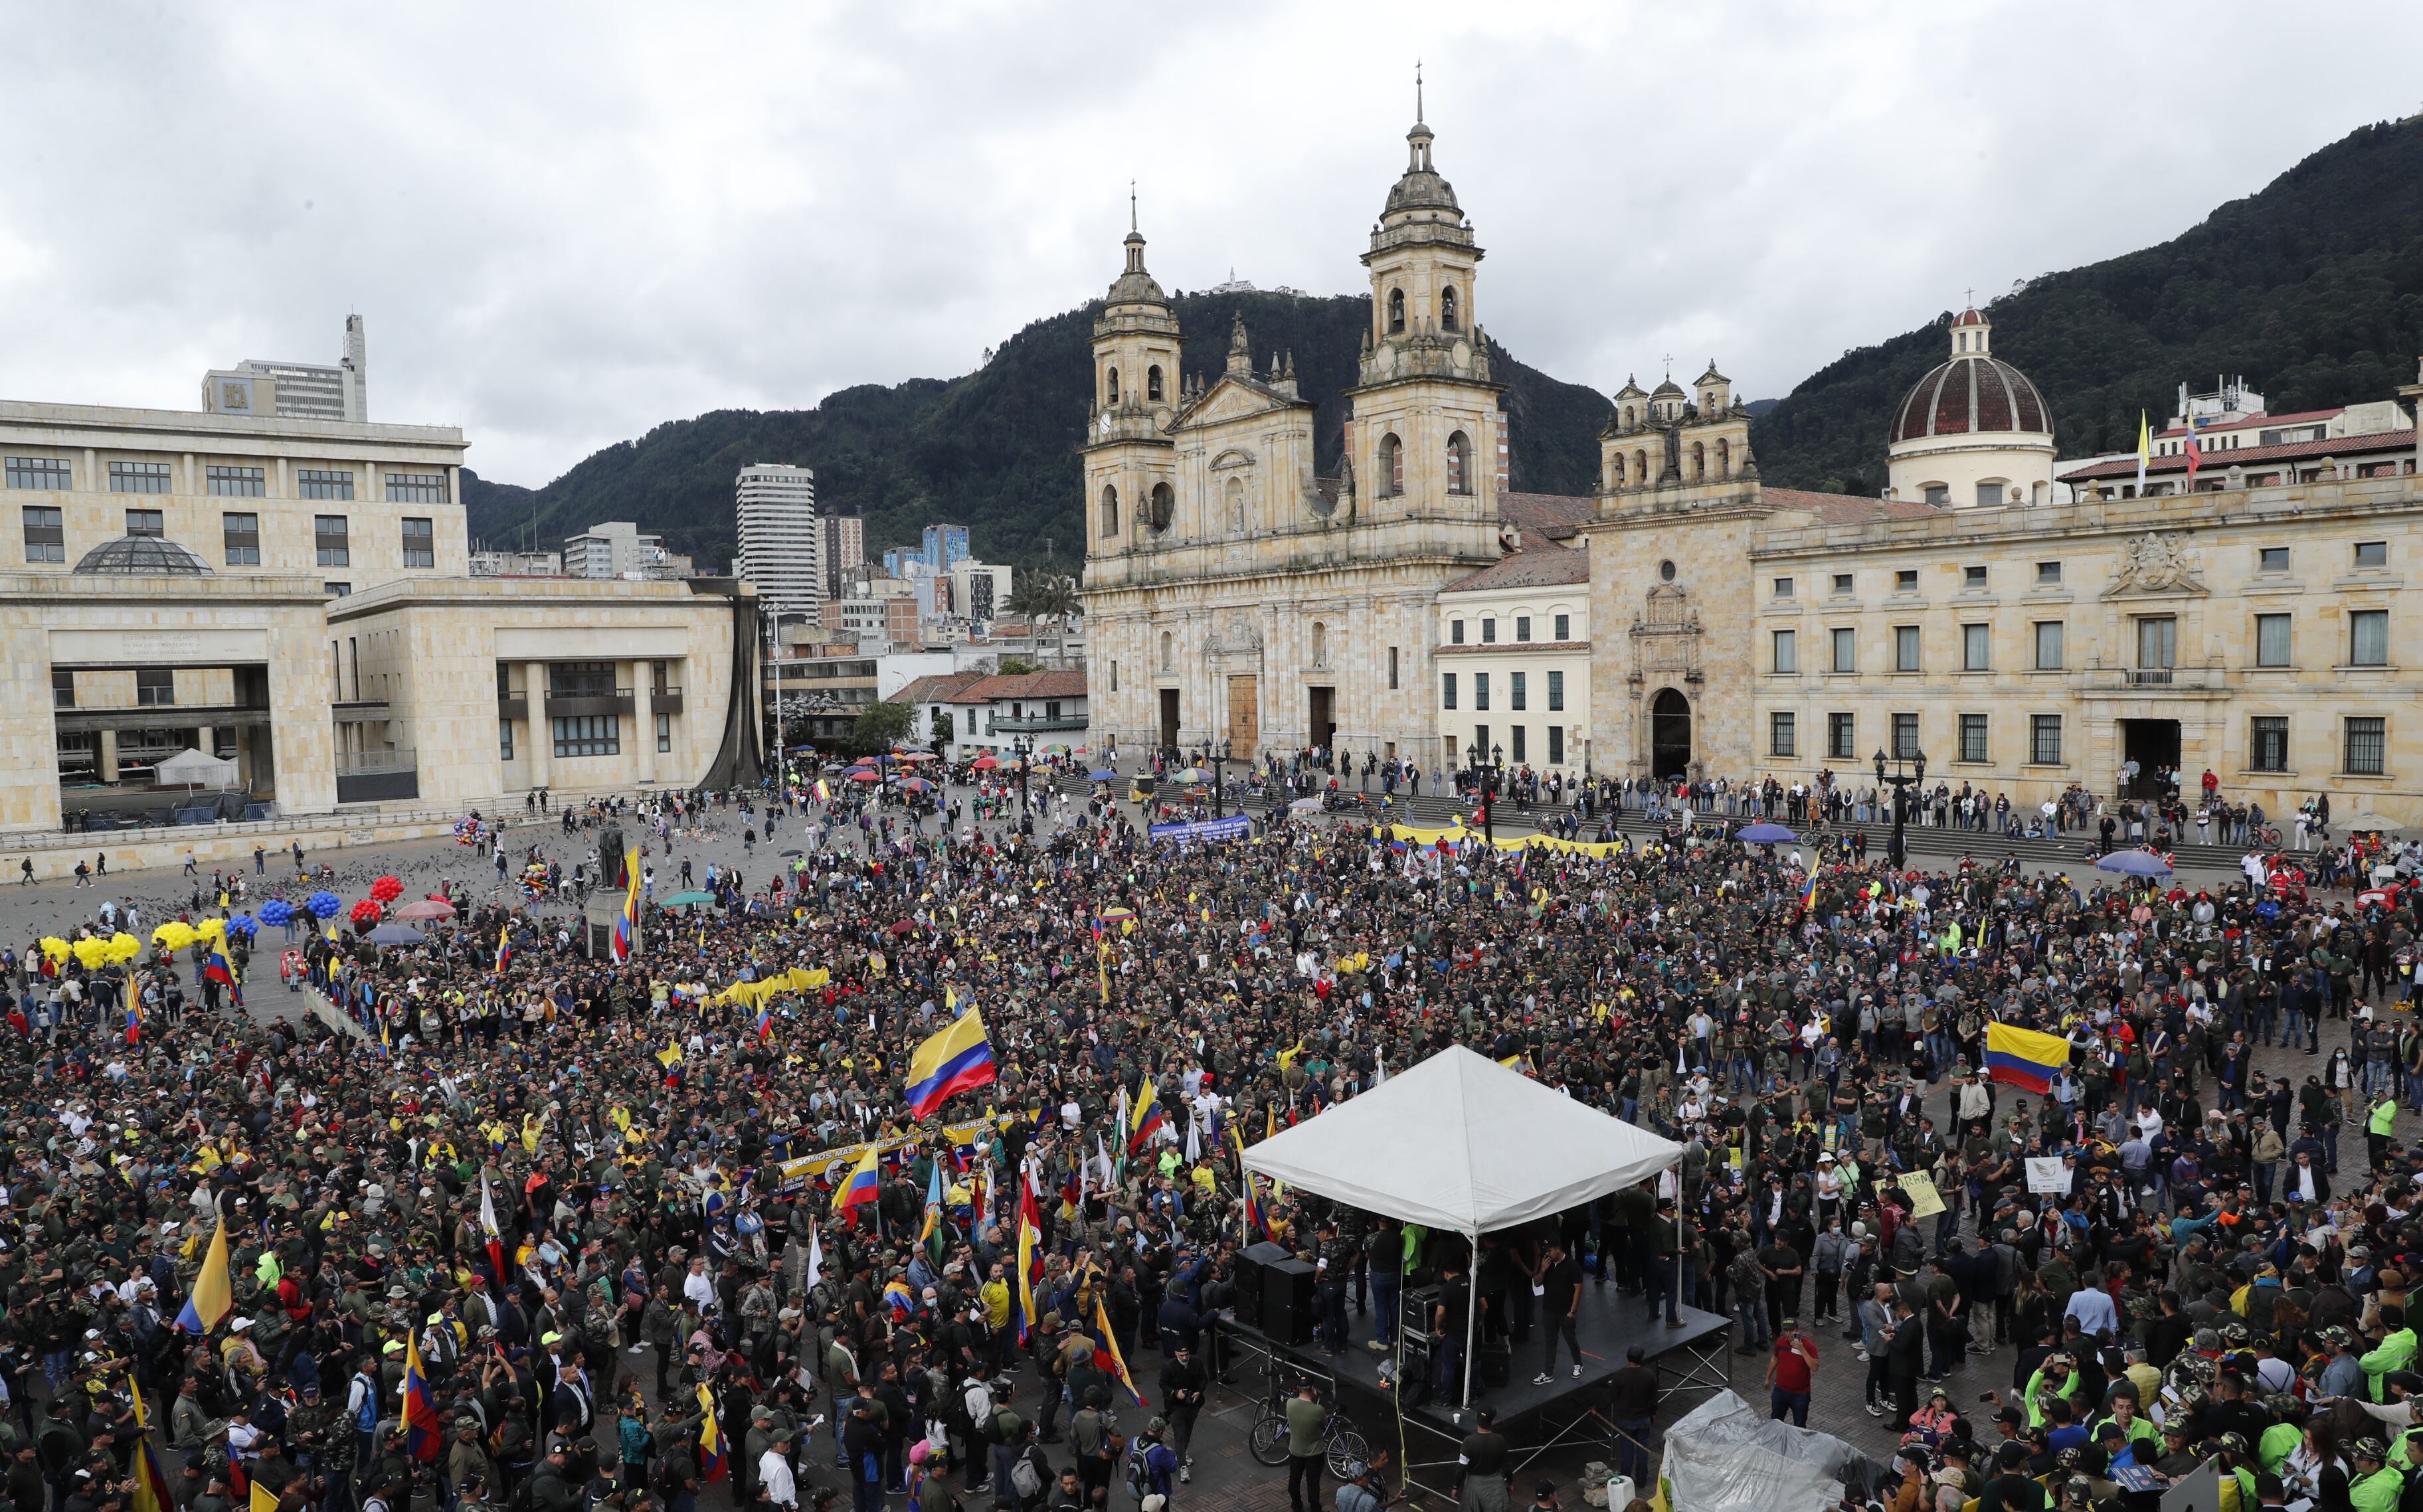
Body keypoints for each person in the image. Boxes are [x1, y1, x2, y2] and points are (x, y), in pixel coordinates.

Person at [1604, 1346, 1658, 1493]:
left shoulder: (1620, 1375)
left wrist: (1596, 1408)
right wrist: (1653, 1413)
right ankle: (1642, 1480)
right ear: (1641, 1359)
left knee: (1627, 1451)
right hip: (1643, 1420)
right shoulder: (1649, 1375)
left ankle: (1626, 1480)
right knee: (1642, 1451)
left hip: (1626, 1421)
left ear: (1628, 1357)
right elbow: (1654, 1399)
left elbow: (1610, 1397)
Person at [1532, 1240, 1583, 1386]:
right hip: (1549, 1311)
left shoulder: (1572, 1266)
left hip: (1565, 1312)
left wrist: (1572, 1311)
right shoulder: (1546, 1265)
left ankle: (1578, 1363)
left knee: (1571, 1339)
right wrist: (1542, 1270)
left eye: (1549, 1251)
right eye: (1545, 1252)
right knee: (1550, 1343)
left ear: (1558, 1249)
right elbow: (1536, 1283)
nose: (1547, 1254)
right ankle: (1548, 1373)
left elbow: (1578, 1288)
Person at [1455, 1409, 1510, 1512]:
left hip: (1474, 1485)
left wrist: (1455, 1487)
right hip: (1496, 1486)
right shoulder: (1500, 1440)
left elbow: (1461, 1468)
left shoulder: (1469, 1441)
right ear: (1492, 1422)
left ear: (1477, 1421)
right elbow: (1506, 1466)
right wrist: (1510, 1483)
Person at [1765, 1317, 1817, 1427]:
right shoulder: (1780, 1342)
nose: (1789, 1334)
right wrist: (1768, 1377)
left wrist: (1802, 1350)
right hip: (1780, 1391)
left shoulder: (1808, 1346)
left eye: (1792, 1330)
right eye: (1786, 1331)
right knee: (1776, 1422)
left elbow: (1815, 1367)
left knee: (1799, 1426)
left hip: (1800, 1395)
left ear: (1798, 1330)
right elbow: (1775, 1358)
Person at [1286, 1381, 1328, 1512]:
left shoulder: (1290, 1403)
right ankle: (1315, 1507)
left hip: (1296, 1451)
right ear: (1312, 1389)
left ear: (1299, 1389)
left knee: (1294, 1480)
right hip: (1314, 1454)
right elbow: (1323, 1425)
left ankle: (1297, 1505)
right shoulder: (1318, 1410)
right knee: (1313, 1483)